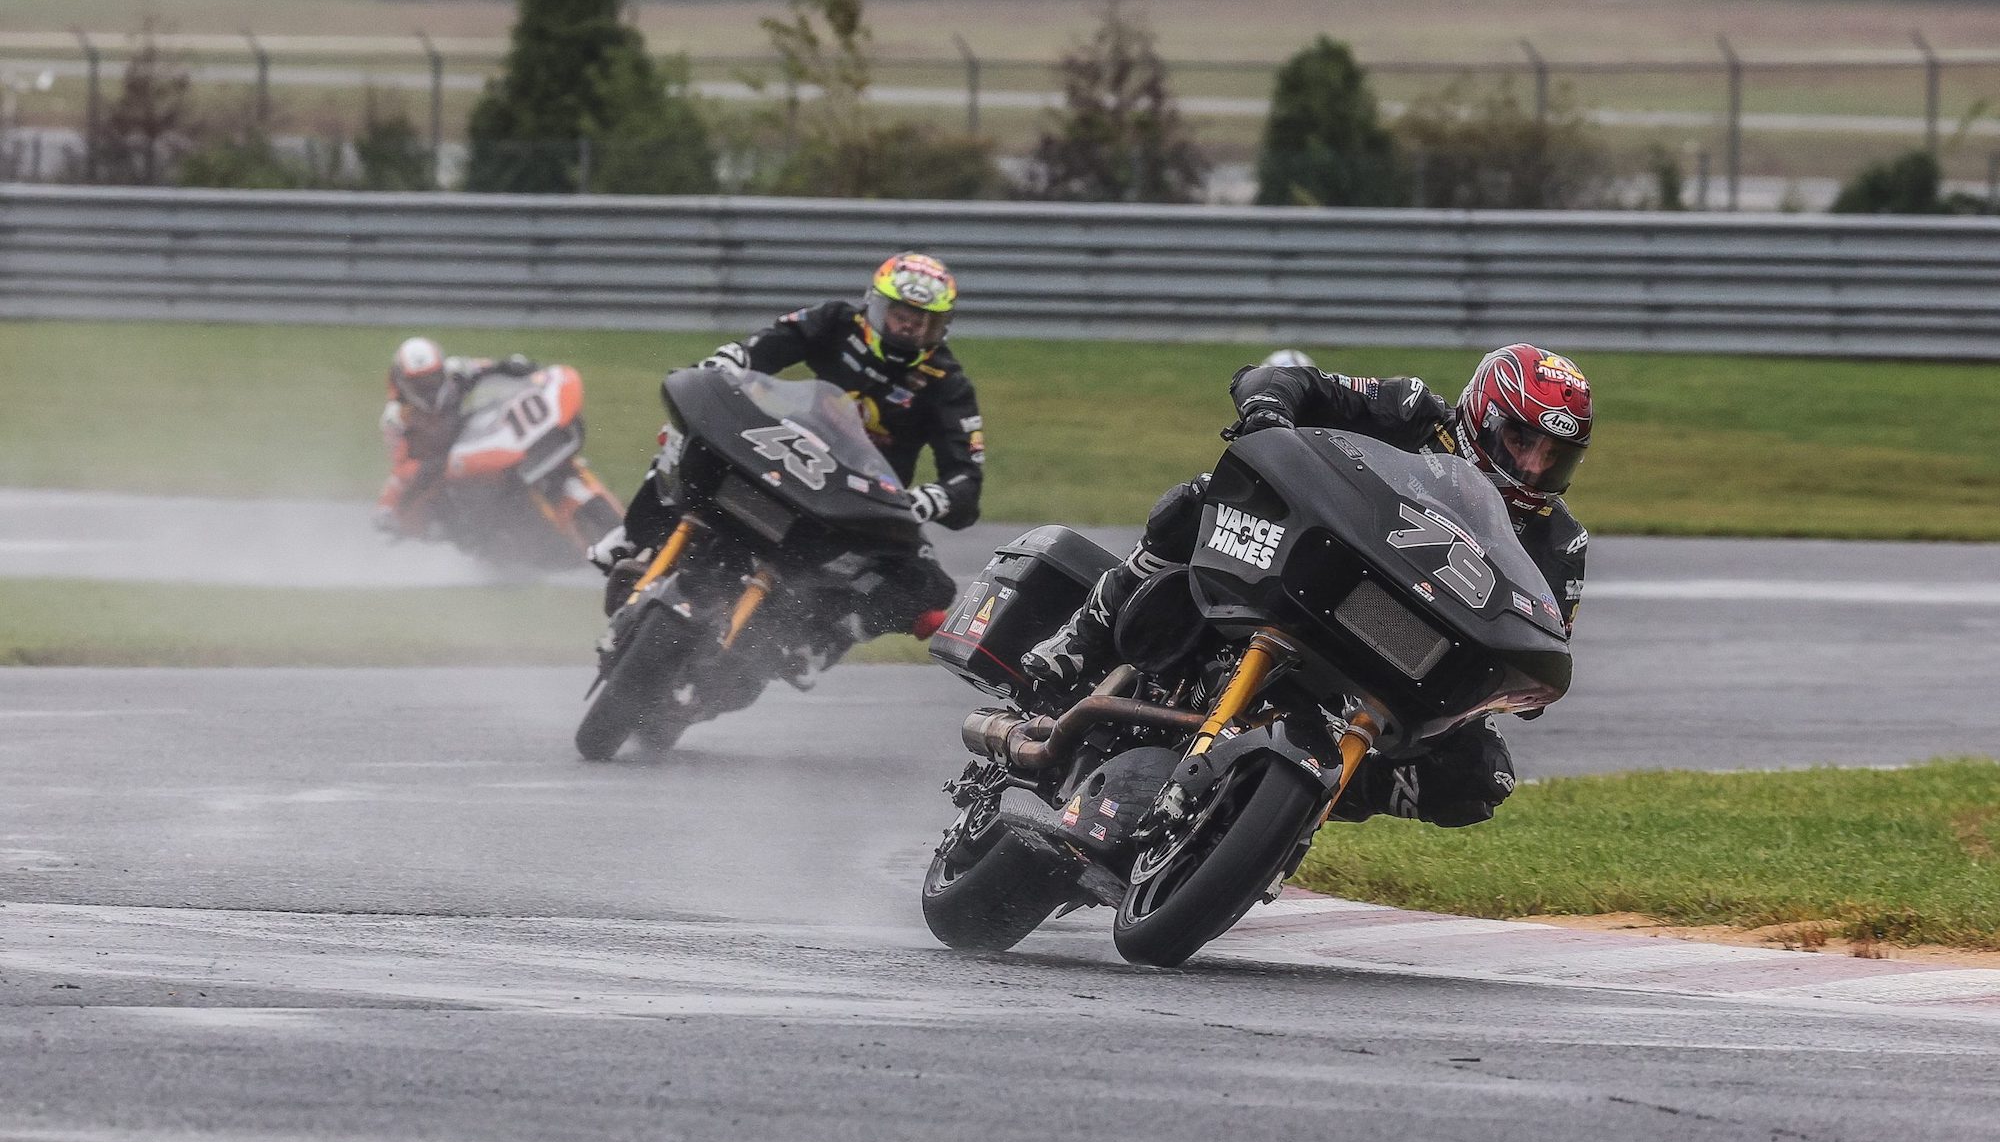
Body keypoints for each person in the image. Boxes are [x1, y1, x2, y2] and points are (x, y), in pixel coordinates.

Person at [1021, 343, 1593, 829]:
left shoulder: (1561, 543)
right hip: (1315, 579)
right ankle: (1084, 635)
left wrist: (1525, 682)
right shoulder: (1412, 411)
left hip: (1406, 658)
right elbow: (1285, 380)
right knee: (1198, 498)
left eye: (1555, 457)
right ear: (1480, 416)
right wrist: (1268, 410)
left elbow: (1543, 640)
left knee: (1481, 778)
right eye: (1521, 441)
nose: (1535, 468)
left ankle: (1306, 798)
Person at [592, 251, 981, 639]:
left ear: (942, 327)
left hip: (860, 497)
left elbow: (967, 475)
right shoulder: (835, 321)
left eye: (923, 322)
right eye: (900, 315)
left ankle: (827, 640)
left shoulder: (947, 382)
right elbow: (773, 343)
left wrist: (931, 499)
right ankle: (633, 536)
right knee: (691, 432)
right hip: (788, 449)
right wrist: (734, 358)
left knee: (931, 586)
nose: (908, 329)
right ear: (874, 305)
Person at [375, 336, 540, 538]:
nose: (428, 389)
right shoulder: (396, 418)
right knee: (452, 522)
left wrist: (515, 366)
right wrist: (390, 507)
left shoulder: (456, 371)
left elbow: (493, 367)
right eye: (420, 384)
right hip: (442, 474)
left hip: (472, 441)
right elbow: (401, 469)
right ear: (403, 382)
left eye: (432, 379)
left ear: (441, 371)